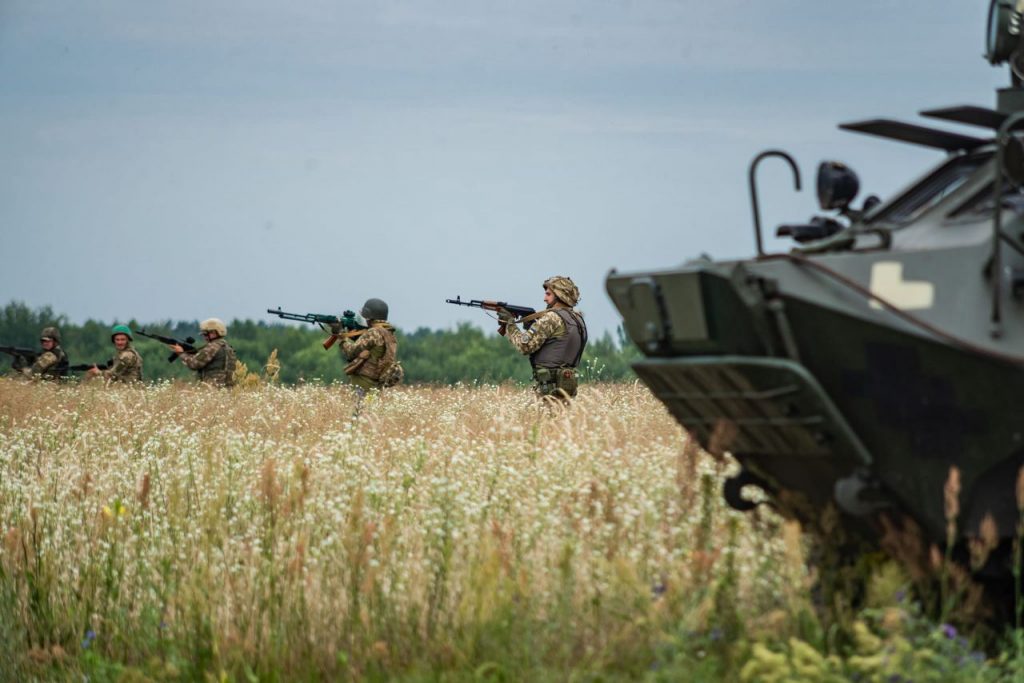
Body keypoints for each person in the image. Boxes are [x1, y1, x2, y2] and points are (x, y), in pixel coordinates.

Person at [500, 276, 588, 401]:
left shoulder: (551, 318)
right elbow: (557, 344)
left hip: (548, 392)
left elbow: (524, 346)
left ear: (559, 295)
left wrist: (509, 323)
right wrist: (532, 327)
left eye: (548, 294)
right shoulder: (577, 319)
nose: (544, 298)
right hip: (567, 390)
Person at [334, 298, 401, 393]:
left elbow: (350, 352)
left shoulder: (373, 332)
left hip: (363, 381)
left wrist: (340, 335)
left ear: (370, 317)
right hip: (376, 382)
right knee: (369, 407)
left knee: (358, 407)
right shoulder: (389, 333)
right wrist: (353, 333)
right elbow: (372, 347)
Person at [168, 318, 236, 387]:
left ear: (214, 333)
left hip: (213, 389)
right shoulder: (227, 347)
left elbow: (194, 364)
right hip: (227, 389)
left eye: (206, 334)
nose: (204, 337)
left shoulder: (213, 347)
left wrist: (181, 353)